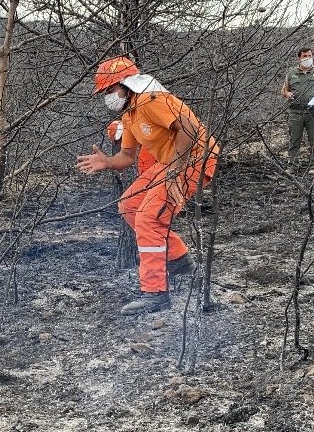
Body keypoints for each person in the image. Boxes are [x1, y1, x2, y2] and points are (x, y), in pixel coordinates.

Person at [78, 56, 220, 315]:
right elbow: (128, 157)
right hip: (169, 163)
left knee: (148, 218)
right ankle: (179, 260)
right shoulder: (131, 112)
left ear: (126, 84)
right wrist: (107, 162)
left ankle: (155, 293)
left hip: (195, 160)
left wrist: (177, 170)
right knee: (130, 206)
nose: (108, 96)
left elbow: (188, 128)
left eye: (110, 89)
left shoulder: (151, 99)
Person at [280, 47, 314, 168]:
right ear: (299, 58)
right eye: (304, 56)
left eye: (309, 55)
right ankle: (292, 165)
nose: (307, 58)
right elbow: (284, 89)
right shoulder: (291, 73)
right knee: (294, 141)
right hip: (296, 112)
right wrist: (287, 94)